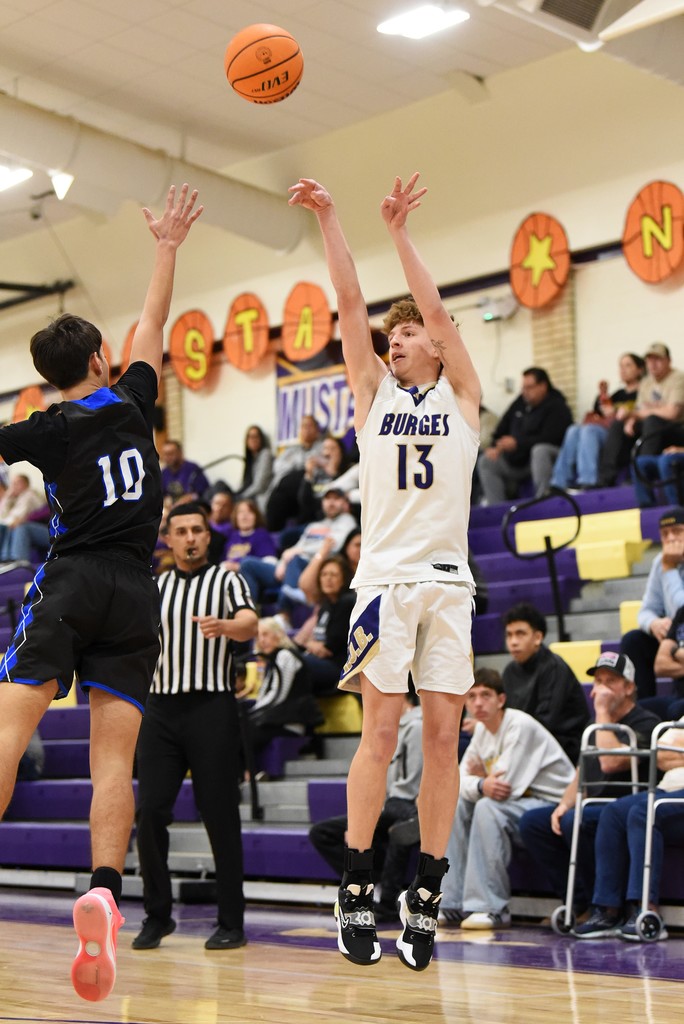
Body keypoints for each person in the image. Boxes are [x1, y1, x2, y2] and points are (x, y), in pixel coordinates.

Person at [0, 182, 202, 1002]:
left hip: (74, 577)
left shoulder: (47, 427)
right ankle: (106, 891)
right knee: (112, 760)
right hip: (136, 590)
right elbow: (153, 319)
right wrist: (167, 245)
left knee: (10, 725)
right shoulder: (134, 399)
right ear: (98, 360)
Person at [289, 172, 480, 972]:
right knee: (377, 732)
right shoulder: (373, 395)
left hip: (450, 585)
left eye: (409, 333)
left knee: (442, 741)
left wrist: (402, 233)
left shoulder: (464, 397)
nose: (396, 340)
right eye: (392, 334)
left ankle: (426, 890)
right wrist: (332, 217)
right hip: (384, 585)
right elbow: (348, 301)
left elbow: (432, 308)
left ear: (438, 342)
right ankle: (358, 883)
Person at [133, 502, 257, 952]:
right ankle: (157, 915)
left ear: (208, 536)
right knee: (149, 812)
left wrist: (225, 626)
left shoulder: (227, 579)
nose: (189, 538)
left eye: (196, 530)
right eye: (181, 531)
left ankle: (231, 922)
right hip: (160, 710)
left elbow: (249, 623)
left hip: (211, 708)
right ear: (168, 538)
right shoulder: (155, 586)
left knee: (220, 814)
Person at [518, 652, 660, 916]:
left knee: (576, 820)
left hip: (622, 808)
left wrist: (602, 712)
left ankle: (604, 905)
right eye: (598, 682)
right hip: (592, 805)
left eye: (610, 681)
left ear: (629, 687)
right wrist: (563, 804)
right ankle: (577, 900)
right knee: (534, 823)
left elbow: (609, 762)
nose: (601, 689)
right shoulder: (593, 725)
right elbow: (581, 771)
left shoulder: (646, 722)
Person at [440, 668, 574, 930]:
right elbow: (459, 781)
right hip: (520, 801)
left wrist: (482, 780)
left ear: (501, 699)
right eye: (472, 697)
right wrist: (481, 782)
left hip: (553, 803)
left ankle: (491, 907)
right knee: (456, 805)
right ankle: (451, 903)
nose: (478, 703)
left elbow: (505, 787)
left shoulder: (519, 725)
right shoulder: (482, 732)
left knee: (488, 808)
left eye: (485, 695)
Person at [309, 689, 423, 924]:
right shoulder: (380, 730)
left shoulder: (416, 727)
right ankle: (364, 884)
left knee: (399, 825)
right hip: (386, 806)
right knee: (322, 832)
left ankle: (388, 901)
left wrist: (370, 818)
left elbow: (411, 785)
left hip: (406, 803)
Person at [573, 717, 684, 940]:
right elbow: (659, 755)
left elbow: (669, 753)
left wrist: (678, 752)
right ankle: (608, 911)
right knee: (613, 813)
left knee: (643, 812)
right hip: (667, 789)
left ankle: (647, 911)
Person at [239, 487, 357, 612]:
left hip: (314, 566)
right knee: (247, 564)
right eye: (328, 499)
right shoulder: (314, 526)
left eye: (336, 499)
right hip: (292, 565)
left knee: (295, 559)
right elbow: (297, 547)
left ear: (344, 503)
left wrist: (298, 552)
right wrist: (283, 561)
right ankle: (248, 611)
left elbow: (334, 545)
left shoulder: (347, 522)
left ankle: (284, 614)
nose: (331, 503)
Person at [501, 602, 590, 763]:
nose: (513, 642)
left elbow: (546, 722)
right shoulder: (509, 671)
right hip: (526, 743)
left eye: (520, 634)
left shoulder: (554, 667)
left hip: (563, 748)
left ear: (538, 637)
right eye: (509, 635)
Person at [476, 367, 573, 505]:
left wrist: (518, 443)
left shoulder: (557, 405)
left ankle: (543, 501)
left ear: (543, 386)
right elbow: (501, 428)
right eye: (523, 388)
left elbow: (552, 437)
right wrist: (495, 446)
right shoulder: (520, 403)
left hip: (547, 459)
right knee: (486, 460)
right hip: (516, 460)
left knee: (539, 450)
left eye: (530, 387)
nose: (525, 392)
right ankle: (497, 509)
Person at [550, 353, 645, 491]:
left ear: (640, 369)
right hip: (605, 430)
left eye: (628, 365)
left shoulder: (643, 392)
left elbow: (640, 413)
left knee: (589, 431)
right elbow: (598, 412)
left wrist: (617, 412)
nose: (623, 370)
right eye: (621, 366)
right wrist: (602, 395)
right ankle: (559, 482)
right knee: (573, 429)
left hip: (622, 436)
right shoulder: (618, 394)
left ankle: (588, 480)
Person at [620, 507, 684, 700]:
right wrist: (654, 623)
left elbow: (682, 608)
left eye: (677, 531)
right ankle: (641, 706)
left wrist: (670, 569)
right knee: (634, 640)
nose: (670, 539)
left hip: (680, 636)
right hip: (675, 637)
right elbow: (646, 611)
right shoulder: (660, 561)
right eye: (665, 534)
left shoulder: (666, 563)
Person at [599, 343, 684, 487]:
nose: (653, 364)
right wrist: (632, 418)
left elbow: (672, 413)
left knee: (652, 421)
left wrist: (638, 413)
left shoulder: (678, 378)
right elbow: (639, 410)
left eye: (657, 359)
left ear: (668, 360)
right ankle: (606, 478)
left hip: (675, 429)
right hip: (652, 427)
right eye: (649, 360)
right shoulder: (646, 383)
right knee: (618, 424)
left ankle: (641, 475)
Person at [245, 616, 322, 767]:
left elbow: (278, 695)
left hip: (288, 722)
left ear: (278, 634)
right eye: (258, 636)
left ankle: (248, 774)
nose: (262, 640)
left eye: (265, 634)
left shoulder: (285, 655)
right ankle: (246, 774)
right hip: (274, 719)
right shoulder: (272, 660)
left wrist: (251, 714)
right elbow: (265, 695)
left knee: (244, 732)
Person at [297, 555, 356, 695]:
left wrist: (311, 644)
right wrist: (312, 644)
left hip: (339, 667)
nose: (328, 579)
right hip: (321, 660)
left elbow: (330, 647)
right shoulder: (325, 605)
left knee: (297, 664)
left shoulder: (347, 602)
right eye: (324, 574)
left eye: (333, 575)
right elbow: (313, 642)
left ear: (344, 579)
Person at [264, 414, 325, 531]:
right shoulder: (291, 450)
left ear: (317, 430)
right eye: (304, 426)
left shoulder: (323, 447)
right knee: (276, 498)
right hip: (286, 489)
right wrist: (301, 465)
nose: (306, 429)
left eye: (310, 426)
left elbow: (318, 468)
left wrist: (298, 466)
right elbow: (278, 467)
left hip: (310, 487)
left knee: (301, 478)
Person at [221, 498, 278, 571]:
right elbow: (223, 561)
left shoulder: (261, 535)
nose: (244, 516)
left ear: (256, 516)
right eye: (241, 512)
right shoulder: (231, 535)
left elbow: (270, 562)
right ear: (235, 517)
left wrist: (240, 567)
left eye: (249, 512)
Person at [0, 474, 44, 560]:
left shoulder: (29, 494)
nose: (13, 486)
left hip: (35, 526)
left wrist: (8, 495)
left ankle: (14, 560)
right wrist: (7, 497)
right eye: (13, 483)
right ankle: (5, 559)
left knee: (12, 526)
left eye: (17, 483)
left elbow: (19, 515)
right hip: (20, 524)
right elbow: (2, 514)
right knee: (6, 526)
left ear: (25, 484)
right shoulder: (17, 498)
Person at [236, 424, 273, 508]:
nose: (253, 440)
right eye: (250, 437)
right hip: (246, 495)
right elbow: (243, 483)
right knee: (221, 488)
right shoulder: (250, 459)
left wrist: (240, 496)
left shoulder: (265, 454)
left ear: (261, 439)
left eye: (256, 436)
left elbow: (260, 485)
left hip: (256, 498)